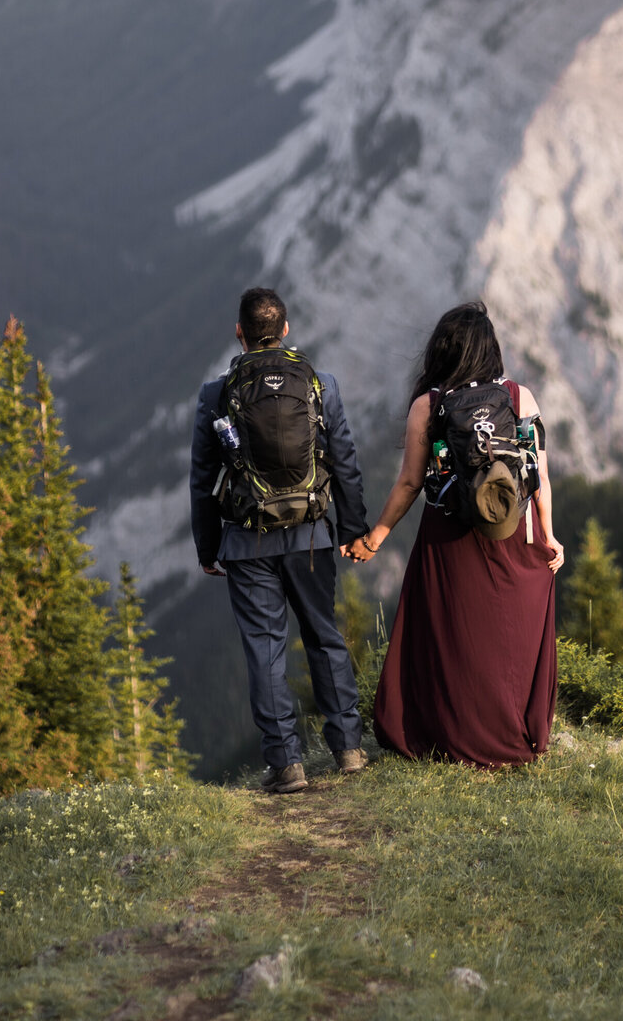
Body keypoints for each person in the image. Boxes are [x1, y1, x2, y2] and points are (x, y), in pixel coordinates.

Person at [349, 301, 564, 766]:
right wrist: (548, 535)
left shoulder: (430, 405)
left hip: (452, 536)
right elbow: (538, 475)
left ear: (443, 352)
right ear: (492, 350)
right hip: (514, 531)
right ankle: (515, 735)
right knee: (511, 636)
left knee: (454, 636)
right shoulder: (520, 397)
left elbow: (409, 483)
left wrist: (375, 538)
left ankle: (449, 735)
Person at [190, 286, 370, 793]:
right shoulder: (320, 383)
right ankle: (349, 750)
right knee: (323, 636)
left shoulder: (215, 394)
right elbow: (347, 463)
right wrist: (352, 528)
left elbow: (202, 480)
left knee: (265, 650)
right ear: (285, 330)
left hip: (246, 544)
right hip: (311, 536)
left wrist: (208, 548)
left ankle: (287, 765)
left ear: (240, 334)